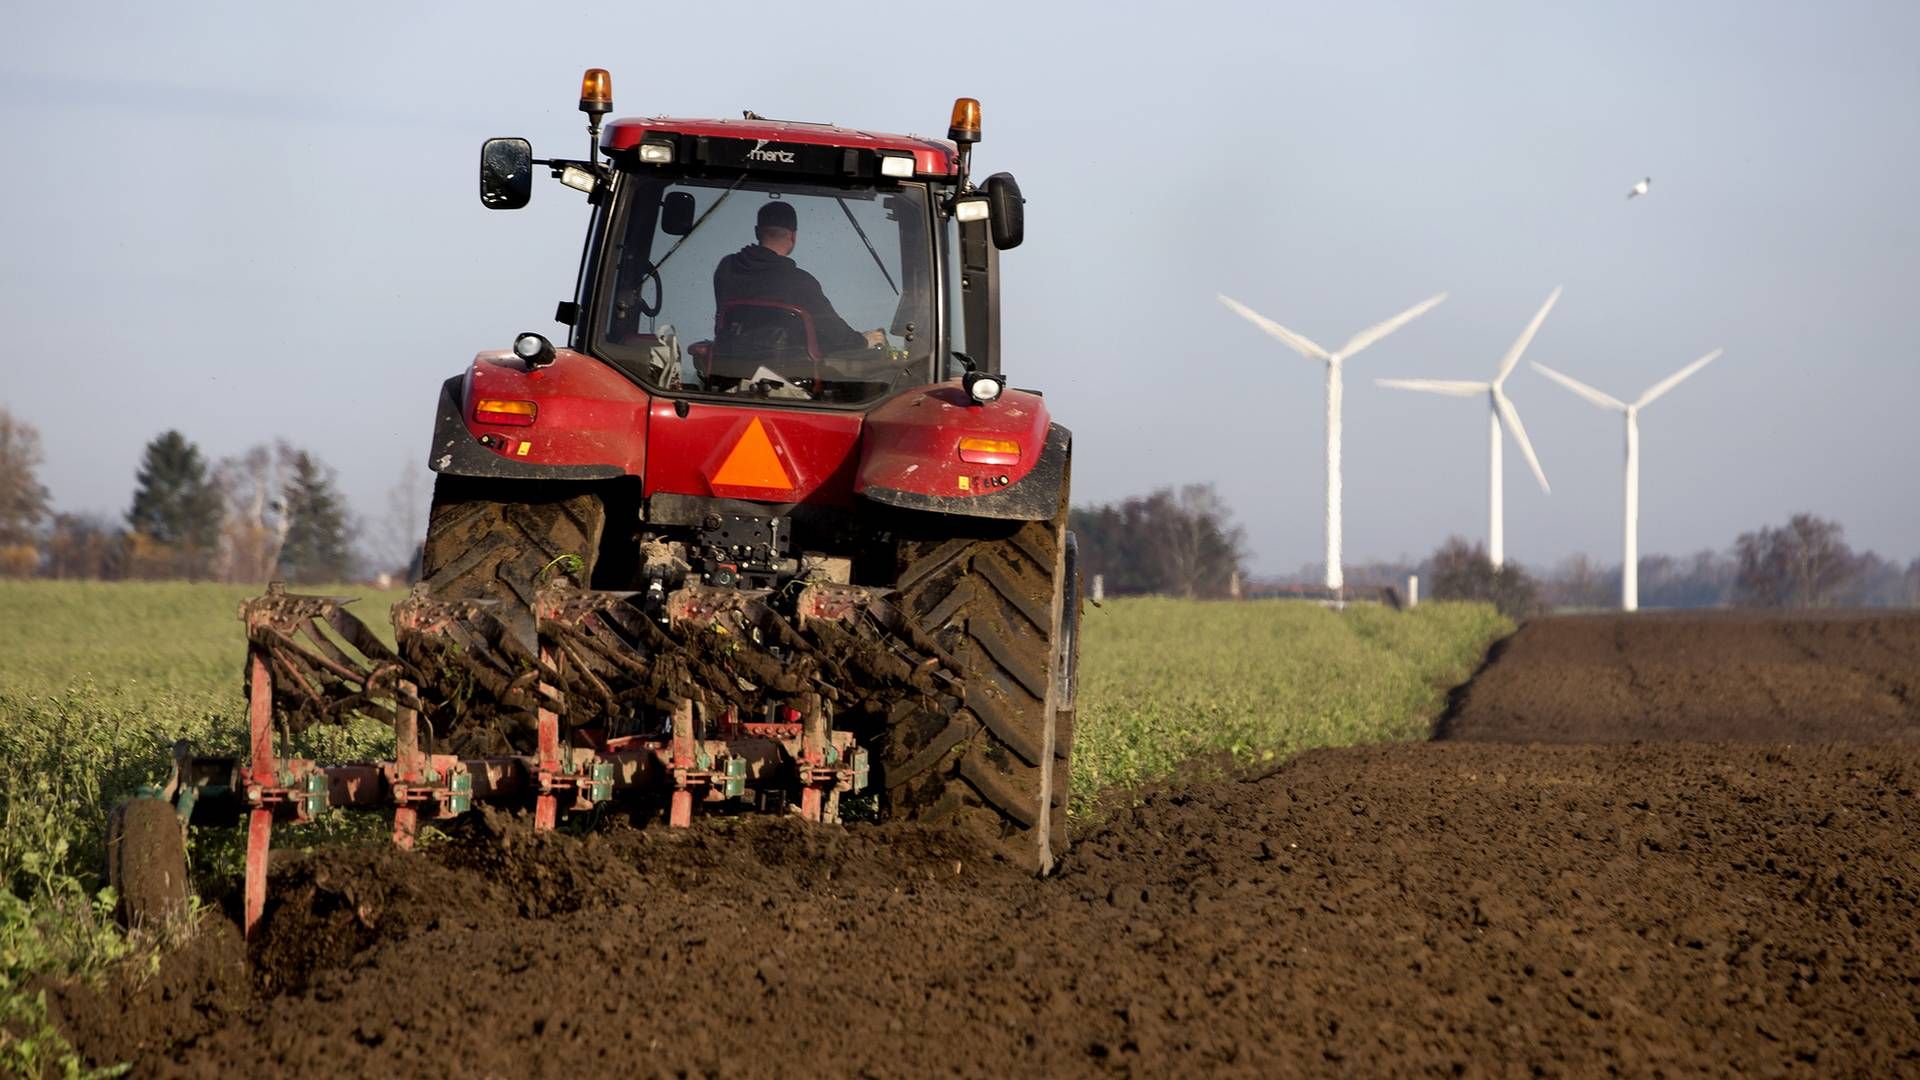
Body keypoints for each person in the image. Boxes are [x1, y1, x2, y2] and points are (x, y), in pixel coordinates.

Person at [713, 201, 887, 357]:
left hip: (728, 368)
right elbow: (834, 334)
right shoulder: (801, 282)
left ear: (757, 232)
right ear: (793, 236)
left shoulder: (727, 267)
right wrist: (862, 341)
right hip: (786, 375)